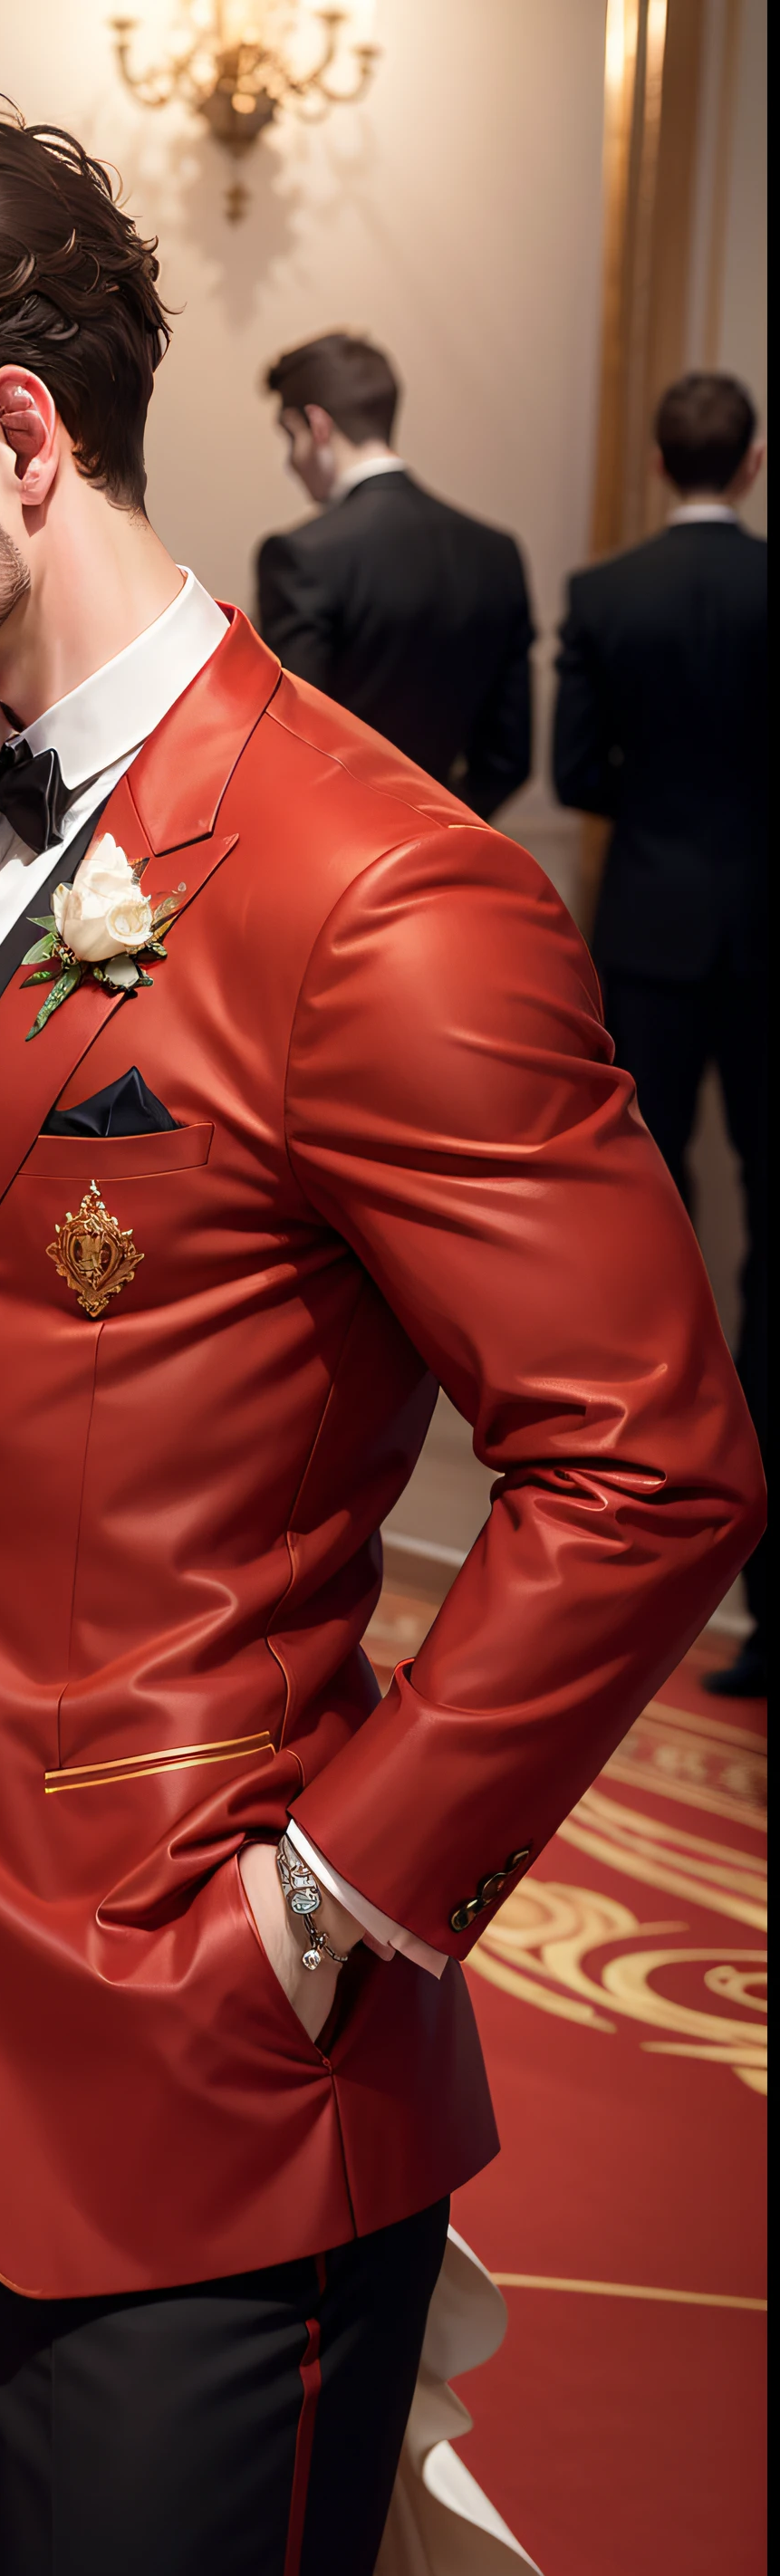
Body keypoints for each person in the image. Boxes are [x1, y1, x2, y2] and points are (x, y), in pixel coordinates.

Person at [0, 101, 748, 2576]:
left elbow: (646, 1471)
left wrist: (329, 1902)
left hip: (210, 2074)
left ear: (20, 435)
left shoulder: (385, 894)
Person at [554, 372, 767, 1700]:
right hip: (767, 927)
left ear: (659, 459)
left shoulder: (606, 595)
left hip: (650, 926)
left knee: (653, 1225)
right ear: (749, 466)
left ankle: (652, 1503)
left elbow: (578, 777)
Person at [256, 330, 535, 818]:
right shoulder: (496, 552)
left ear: (318, 425)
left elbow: (295, 745)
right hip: (453, 844)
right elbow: (508, 760)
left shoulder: (303, 555)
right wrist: (437, 828)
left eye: (290, 436)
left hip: (342, 851)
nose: (291, 462)